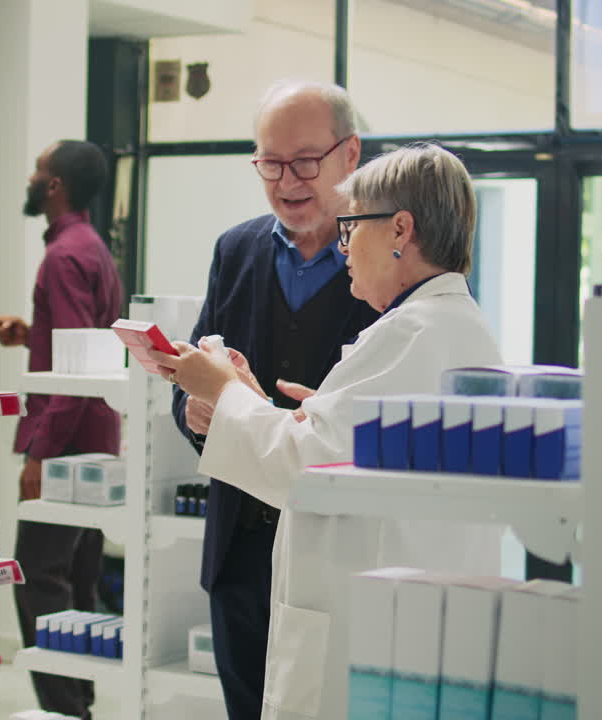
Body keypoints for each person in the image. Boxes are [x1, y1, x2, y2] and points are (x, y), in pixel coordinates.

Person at [153, 143, 504, 720]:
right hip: (409, 608)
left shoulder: (413, 333)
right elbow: (353, 448)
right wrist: (280, 410)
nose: (344, 248)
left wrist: (222, 390)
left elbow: (304, 470)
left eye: (351, 227)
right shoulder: (448, 328)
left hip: (376, 619)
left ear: (399, 229)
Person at [170, 80, 381, 720]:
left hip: (334, 551)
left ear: (351, 155)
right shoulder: (235, 250)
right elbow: (200, 379)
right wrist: (195, 412)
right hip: (240, 547)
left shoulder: (391, 261)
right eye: (270, 163)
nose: (287, 180)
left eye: (305, 161)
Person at [0, 140, 121, 720]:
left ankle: (64, 710)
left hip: (66, 440)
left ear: (54, 187)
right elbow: (83, 339)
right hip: (96, 441)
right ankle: (82, 702)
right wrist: (31, 333)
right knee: (79, 576)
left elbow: (74, 371)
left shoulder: (62, 257)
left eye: (38, 170)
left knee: (38, 578)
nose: (30, 176)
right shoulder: (91, 247)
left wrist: (39, 455)